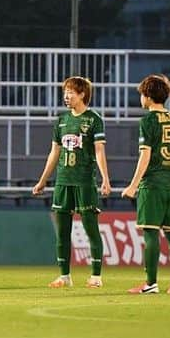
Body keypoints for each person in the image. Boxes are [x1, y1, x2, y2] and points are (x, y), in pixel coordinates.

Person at [32, 76, 112, 289]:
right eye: (65, 92)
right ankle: (64, 276)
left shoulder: (94, 119)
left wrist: (105, 178)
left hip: (84, 182)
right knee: (62, 231)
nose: (66, 96)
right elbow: (54, 153)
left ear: (82, 94)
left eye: (71, 93)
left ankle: (96, 276)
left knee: (91, 229)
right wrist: (42, 181)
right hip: (63, 182)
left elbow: (99, 151)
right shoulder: (61, 120)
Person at [121, 74, 170, 295]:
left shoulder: (148, 121)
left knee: (150, 233)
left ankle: (151, 283)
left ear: (148, 97)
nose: (141, 98)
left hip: (152, 184)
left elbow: (145, 155)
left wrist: (133, 185)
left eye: (142, 94)